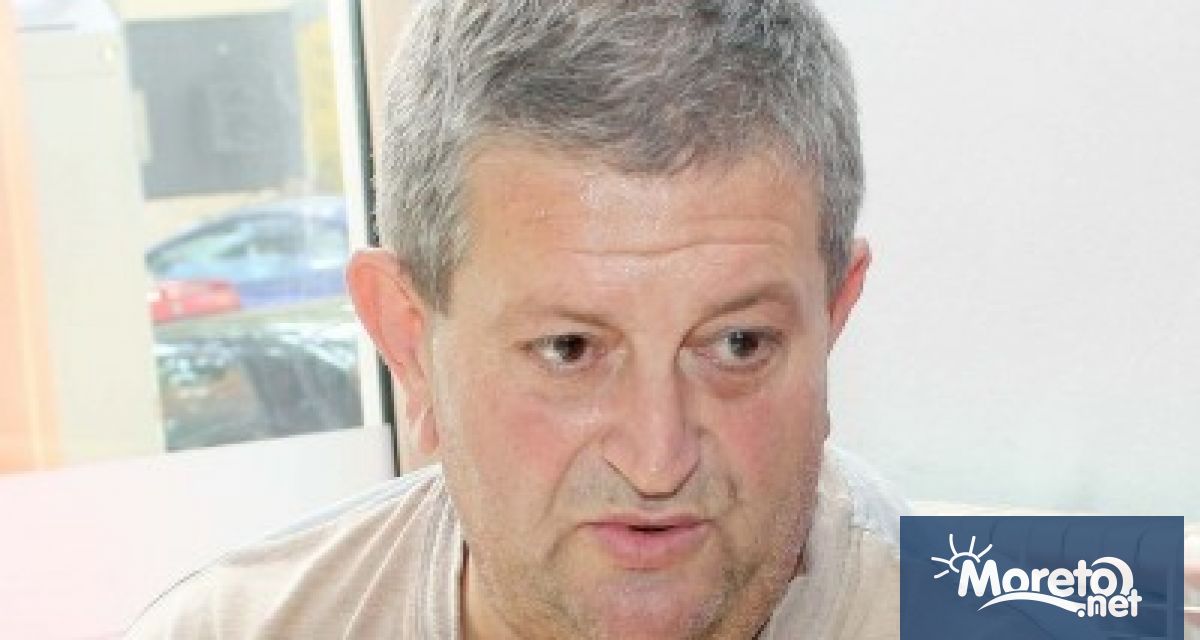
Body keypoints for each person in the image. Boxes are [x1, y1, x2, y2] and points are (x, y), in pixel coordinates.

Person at [126, 1, 906, 638]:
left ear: (833, 318)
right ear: (409, 342)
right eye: (569, 348)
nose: (657, 459)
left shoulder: (971, 609)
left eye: (739, 344)